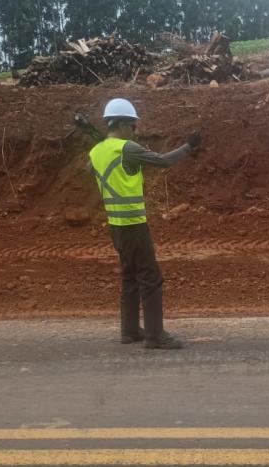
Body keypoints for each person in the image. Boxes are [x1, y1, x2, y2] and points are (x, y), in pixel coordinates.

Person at [88, 97, 201, 350]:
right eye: (133, 125)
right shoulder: (126, 148)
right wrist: (189, 146)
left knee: (130, 275)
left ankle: (129, 330)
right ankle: (155, 335)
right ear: (122, 124)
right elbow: (162, 161)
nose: (135, 130)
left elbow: (90, 169)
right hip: (133, 224)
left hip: (115, 225)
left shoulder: (96, 152)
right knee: (150, 277)